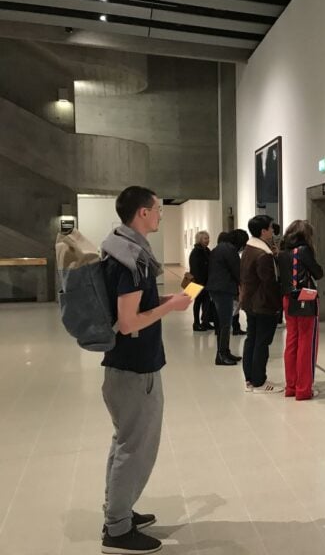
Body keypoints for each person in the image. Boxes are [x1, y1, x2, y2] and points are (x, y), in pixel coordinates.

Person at [99, 186, 192, 554]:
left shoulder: (120, 250)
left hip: (125, 368)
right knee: (134, 449)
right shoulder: (131, 259)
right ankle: (117, 529)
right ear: (141, 213)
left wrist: (171, 300)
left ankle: (118, 512)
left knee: (124, 443)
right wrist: (170, 309)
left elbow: (137, 307)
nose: (159, 215)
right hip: (135, 370)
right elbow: (127, 322)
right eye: (156, 209)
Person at [278, 220, 324, 400]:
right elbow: (318, 273)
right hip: (305, 296)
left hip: (287, 298)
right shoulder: (304, 250)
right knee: (307, 342)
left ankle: (291, 386)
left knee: (292, 341)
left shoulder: (282, 253)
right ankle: (303, 389)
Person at [239, 216, 284, 393]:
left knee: (252, 339)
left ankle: (250, 379)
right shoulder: (262, 254)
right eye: (271, 228)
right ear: (263, 231)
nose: (273, 231)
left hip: (250, 303)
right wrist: (277, 305)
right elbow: (269, 283)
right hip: (263, 305)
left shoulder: (249, 249)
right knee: (261, 343)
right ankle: (259, 381)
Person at [207, 231, 241, 365]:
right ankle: (221, 355)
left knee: (223, 323)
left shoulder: (218, 249)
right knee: (225, 323)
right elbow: (237, 270)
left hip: (217, 289)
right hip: (223, 289)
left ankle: (225, 352)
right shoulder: (229, 249)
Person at [189, 230, 214, 332]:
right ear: (200, 239)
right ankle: (196, 323)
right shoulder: (196, 252)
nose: (207, 240)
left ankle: (205, 321)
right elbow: (195, 268)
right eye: (205, 238)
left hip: (206, 282)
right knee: (198, 302)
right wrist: (200, 283)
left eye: (208, 238)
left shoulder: (207, 250)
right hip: (197, 282)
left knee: (206, 302)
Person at [230, 229, 250, 336]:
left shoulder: (233, 252)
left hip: (234, 285)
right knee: (235, 307)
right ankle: (235, 327)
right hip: (232, 285)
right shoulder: (233, 253)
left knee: (235, 307)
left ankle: (236, 327)